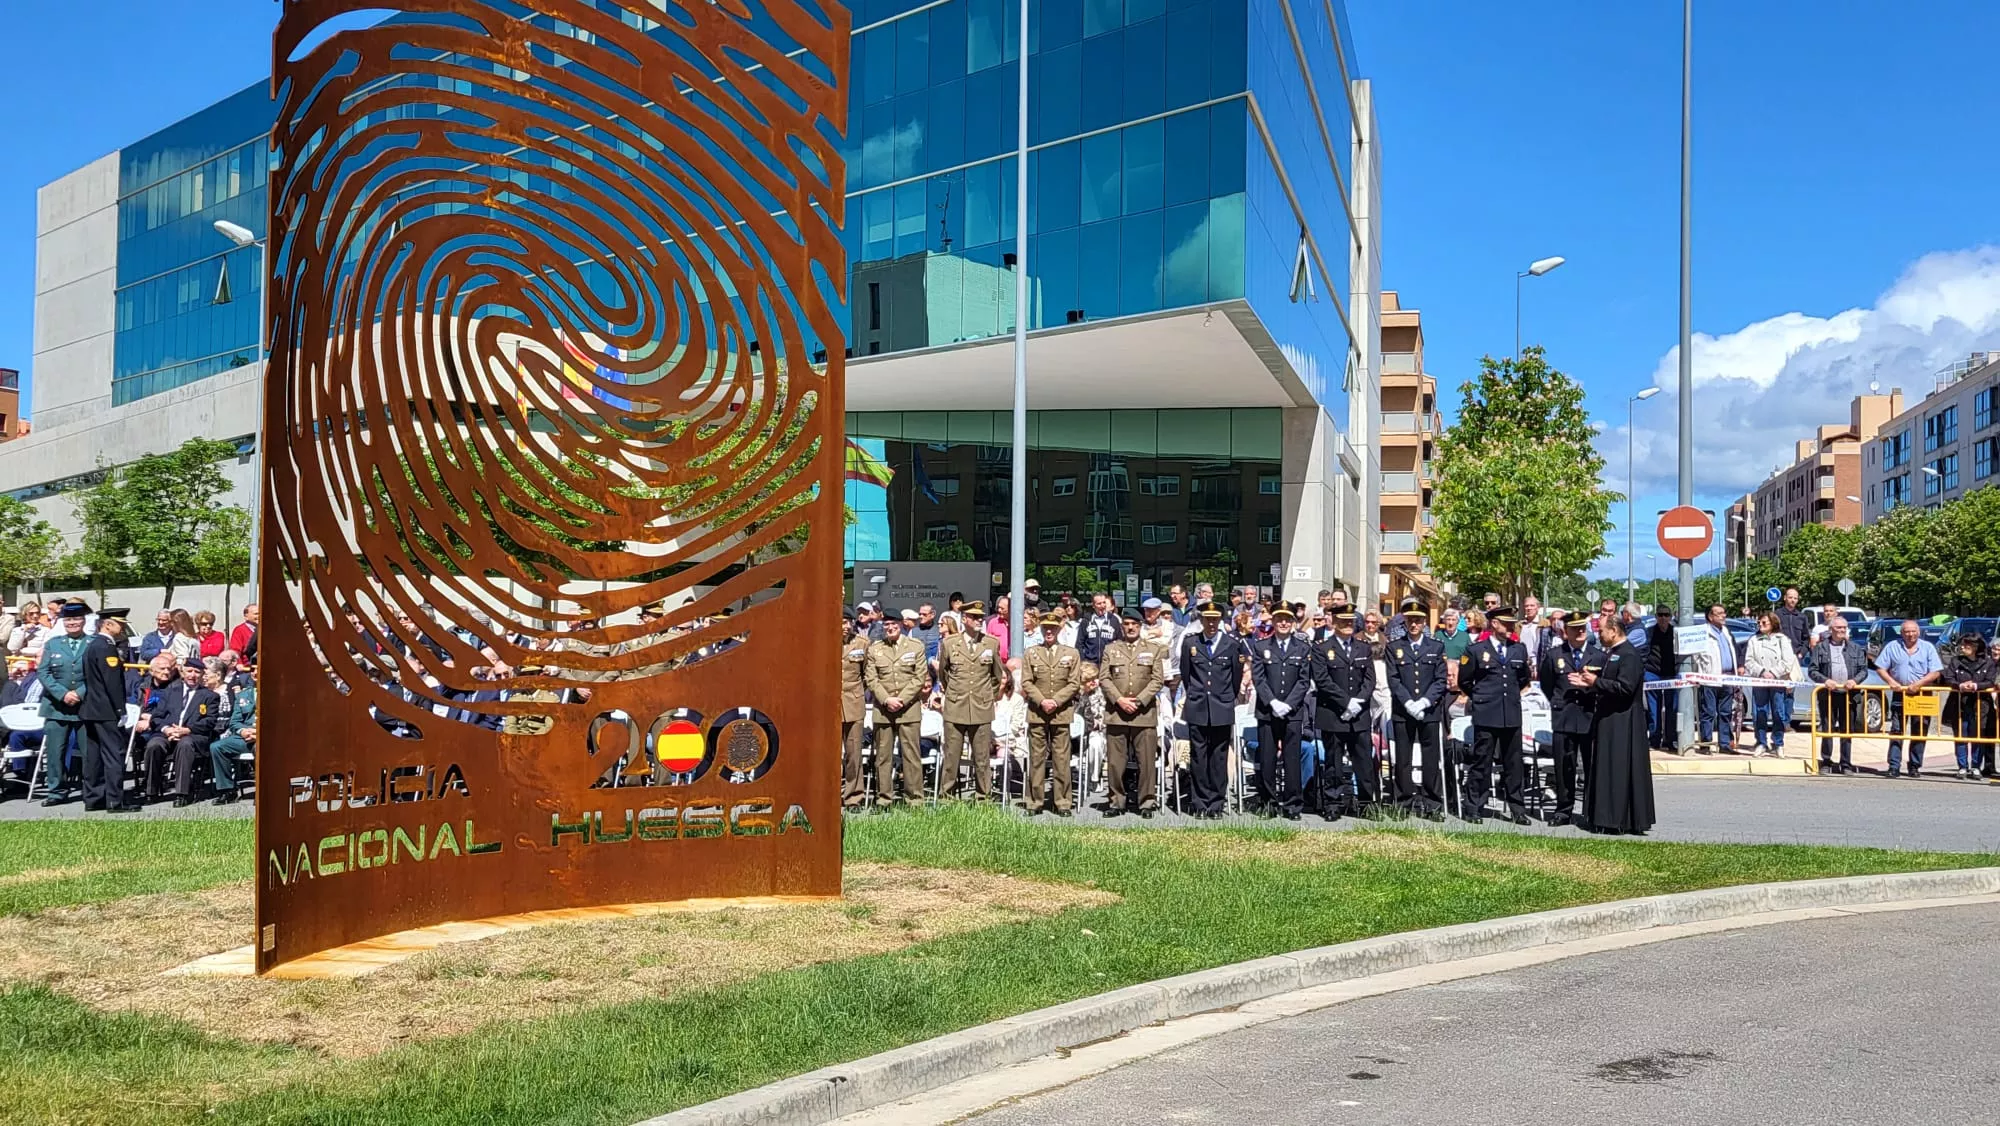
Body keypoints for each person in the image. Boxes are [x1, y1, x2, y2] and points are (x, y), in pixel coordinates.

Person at [1574, 614, 1655, 835]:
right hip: (1608, 718)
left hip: (1623, 720)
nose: (1599, 635)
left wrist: (1596, 682)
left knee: (1618, 768)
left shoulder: (1629, 654)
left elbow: (1626, 688)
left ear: (1614, 630)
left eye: (1601, 631)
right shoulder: (1613, 654)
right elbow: (1609, 684)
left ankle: (1617, 818)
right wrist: (1589, 685)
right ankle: (1602, 816)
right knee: (1605, 766)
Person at [1460, 607, 1532, 824]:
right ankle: (1474, 807)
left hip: (1510, 712)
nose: (1511, 628)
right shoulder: (1476, 650)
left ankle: (1517, 809)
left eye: (1512, 623)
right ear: (1494, 624)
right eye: (1506, 623)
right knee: (1482, 762)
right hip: (1486, 712)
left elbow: (1523, 678)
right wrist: (1482, 697)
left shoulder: (1518, 649)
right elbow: (1464, 681)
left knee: (1514, 764)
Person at [1178, 601, 1243, 819]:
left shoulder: (1231, 645)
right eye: (1208, 619)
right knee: (1198, 756)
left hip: (1221, 707)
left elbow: (1236, 679)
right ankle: (1199, 802)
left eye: (1215, 619)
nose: (1212, 623)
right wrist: (1197, 696)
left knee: (1218, 757)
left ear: (1221, 620)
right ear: (1202, 620)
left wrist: (1223, 699)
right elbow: (1186, 676)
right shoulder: (1190, 643)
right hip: (1197, 707)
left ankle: (1216, 803)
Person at [1385, 600, 1448, 819]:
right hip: (1403, 711)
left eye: (1418, 621)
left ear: (1424, 623)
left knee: (1431, 759)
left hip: (1429, 712)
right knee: (1403, 759)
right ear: (1404, 622)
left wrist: (1425, 702)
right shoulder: (1394, 647)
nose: (1414, 625)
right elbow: (1393, 679)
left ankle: (1432, 804)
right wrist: (1408, 703)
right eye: (1410, 621)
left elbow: (1441, 680)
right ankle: (1403, 803)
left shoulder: (1436, 647)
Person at [1311, 608, 1376, 818]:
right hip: (1333, 713)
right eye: (1342, 621)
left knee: (1363, 761)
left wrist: (1358, 702)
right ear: (1334, 621)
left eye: (1350, 621)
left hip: (1359, 714)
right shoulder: (1322, 648)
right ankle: (1333, 803)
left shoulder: (1364, 648)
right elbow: (1322, 680)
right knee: (1333, 763)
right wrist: (1346, 702)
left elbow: (1369, 679)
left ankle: (1366, 803)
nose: (1347, 624)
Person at [1100, 610, 1165, 817]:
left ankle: (1146, 802)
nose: (1130, 627)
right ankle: (1116, 802)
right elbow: (1104, 678)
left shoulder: (1153, 649)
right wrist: (1119, 699)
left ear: (1140, 626)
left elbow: (1157, 680)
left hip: (1143, 713)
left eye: (1134, 624)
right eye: (1126, 624)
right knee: (1115, 761)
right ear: (1122, 627)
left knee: (1146, 761)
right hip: (1117, 712)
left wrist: (1139, 701)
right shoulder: (1112, 649)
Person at [1249, 606, 1312, 820]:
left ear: (1293, 622)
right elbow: (1258, 678)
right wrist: (1273, 702)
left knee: (1292, 760)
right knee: (1267, 760)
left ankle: (1293, 805)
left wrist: (1289, 704)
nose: (1283, 623)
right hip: (1267, 712)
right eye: (1279, 619)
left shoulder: (1302, 648)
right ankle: (1268, 803)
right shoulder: (1260, 646)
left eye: (1287, 619)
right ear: (1273, 622)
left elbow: (1304, 681)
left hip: (1292, 713)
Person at [1540, 616, 1603, 826]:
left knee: (1591, 766)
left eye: (1582, 628)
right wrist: (1558, 703)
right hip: (1564, 716)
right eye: (1574, 629)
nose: (1580, 632)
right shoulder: (1554, 655)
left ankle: (1590, 811)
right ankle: (1563, 810)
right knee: (1564, 766)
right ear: (1566, 631)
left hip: (1588, 715)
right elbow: (1547, 684)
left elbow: (1602, 684)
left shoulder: (1598, 656)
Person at [936, 601, 1002, 801]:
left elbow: (996, 676)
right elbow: (943, 674)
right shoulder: (949, 643)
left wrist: (985, 694)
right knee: (951, 756)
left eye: (981, 617)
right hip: (956, 705)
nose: (979, 620)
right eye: (973, 617)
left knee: (981, 757)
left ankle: (983, 797)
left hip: (980, 706)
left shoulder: (990, 643)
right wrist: (955, 691)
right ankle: (947, 797)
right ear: (964, 619)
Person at [864, 613, 930, 805]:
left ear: (901, 625)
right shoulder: (876, 649)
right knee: (883, 758)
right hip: (884, 711)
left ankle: (914, 800)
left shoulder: (915, 646)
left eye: (893, 624)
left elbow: (920, 677)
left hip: (908, 709)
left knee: (911, 756)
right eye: (886, 624)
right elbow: (871, 678)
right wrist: (886, 699)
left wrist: (901, 699)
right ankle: (884, 799)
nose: (890, 627)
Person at [34, 601, 93, 806]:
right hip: (56, 706)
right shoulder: (53, 644)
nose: (73, 623)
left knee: (89, 752)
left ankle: (90, 791)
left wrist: (79, 693)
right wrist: (62, 694)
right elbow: (43, 672)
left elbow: (96, 674)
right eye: (68, 619)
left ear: (84, 621)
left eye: (77, 619)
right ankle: (56, 791)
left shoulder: (93, 643)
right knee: (55, 752)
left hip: (85, 706)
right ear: (62, 622)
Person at [1022, 616, 1082, 816]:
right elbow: (1026, 682)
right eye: (1046, 628)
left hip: (1061, 712)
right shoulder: (1031, 653)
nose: (1049, 632)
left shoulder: (1071, 653)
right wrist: (1042, 701)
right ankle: (1034, 801)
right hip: (1038, 712)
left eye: (1053, 629)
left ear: (1059, 630)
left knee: (1061, 758)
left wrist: (1055, 701)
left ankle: (1063, 802)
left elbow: (1074, 683)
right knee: (1036, 758)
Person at [1875, 618, 1942, 778]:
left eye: (1913, 631)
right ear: (1901, 633)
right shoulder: (1892, 647)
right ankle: (1894, 766)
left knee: (1919, 731)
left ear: (1918, 632)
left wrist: (1919, 683)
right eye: (1907, 632)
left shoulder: (1928, 648)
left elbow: (1936, 671)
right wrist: (1891, 681)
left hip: (1922, 693)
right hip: (1900, 692)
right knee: (1897, 730)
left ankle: (1914, 766)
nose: (1910, 634)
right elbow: (1880, 667)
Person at [1807, 617, 1867, 774]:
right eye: (1838, 628)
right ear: (1831, 630)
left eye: (1844, 628)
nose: (1841, 630)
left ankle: (1846, 763)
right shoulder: (1821, 648)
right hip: (1828, 695)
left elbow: (1863, 670)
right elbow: (1812, 670)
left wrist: (1855, 680)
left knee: (1847, 730)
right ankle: (1826, 762)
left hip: (1849, 695)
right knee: (1827, 729)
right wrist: (1825, 680)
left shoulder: (1855, 648)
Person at [1744, 610, 1803, 757]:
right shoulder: (1753, 640)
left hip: (1778, 681)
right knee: (1759, 713)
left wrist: (1774, 673)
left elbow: (1788, 660)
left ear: (1772, 623)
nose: (1761, 625)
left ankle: (1778, 743)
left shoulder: (1782, 639)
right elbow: (1749, 661)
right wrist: (1762, 672)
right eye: (1759, 622)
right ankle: (1761, 742)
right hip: (1760, 682)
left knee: (1779, 713)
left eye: (1764, 622)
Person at [1941, 631, 1997, 780]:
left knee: (1978, 736)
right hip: (1959, 704)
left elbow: (1990, 681)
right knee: (1960, 735)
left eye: (1967, 644)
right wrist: (1960, 685)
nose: (1963, 647)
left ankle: (1976, 766)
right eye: (1962, 643)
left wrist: (1976, 685)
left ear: (1976, 646)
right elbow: (1948, 678)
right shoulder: (1955, 661)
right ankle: (1962, 766)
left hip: (1980, 705)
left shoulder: (1988, 662)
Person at [207, 662, 256, 804]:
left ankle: (264, 790)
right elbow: (234, 721)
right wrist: (242, 731)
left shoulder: (277, 693)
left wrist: (258, 733)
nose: (255, 673)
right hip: (244, 736)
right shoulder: (243, 694)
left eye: (259, 670)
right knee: (217, 747)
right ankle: (227, 791)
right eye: (253, 670)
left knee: (259, 749)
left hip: (265, 738)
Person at [1697, 604, 1740, 753]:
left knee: (1726, 713)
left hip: (1727, 679)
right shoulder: (1703, 633)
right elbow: (1696, 657)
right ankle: (1706, 744)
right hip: (1709, 679)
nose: (1723, 616)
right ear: (1710, 616)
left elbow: (1734, 652)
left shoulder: (1726, 632)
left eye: (1724, 612)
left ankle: (1725, 744)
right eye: (1719, 613)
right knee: (1708, 713)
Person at [840, 609, 869, 812]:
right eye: (842, 622)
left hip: (853, 703)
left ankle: (853, 797)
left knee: (853, 753)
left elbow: (867, 675)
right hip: (829, 706)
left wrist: (857, 693)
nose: (847, 626)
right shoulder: (822, 640)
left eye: (849, 622)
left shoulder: (861, 644)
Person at [1644, 607, 1678, 749]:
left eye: (1666, 615)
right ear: (1656, 616)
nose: (1663, 618)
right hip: (1653, 673)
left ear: (1670, 617)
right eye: (1660, 615)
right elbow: (1643, 650)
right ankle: (1654, 738)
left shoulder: (1675, 633)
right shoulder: (1649, 632)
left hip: (1671, 673)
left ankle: (1670, 739)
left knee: (1673, 708)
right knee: (1654, 708)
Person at [1078, 592, 1118, 665]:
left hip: (1109, 663)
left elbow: (1119, 641)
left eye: (1104, 603)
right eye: (1099, 604)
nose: (1102, 606)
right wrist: (1083, 660)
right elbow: (1079, 643)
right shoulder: (1086, 620)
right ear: (1093, 605)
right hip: (1090, 663)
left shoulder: (1113, 620)